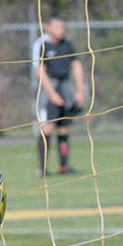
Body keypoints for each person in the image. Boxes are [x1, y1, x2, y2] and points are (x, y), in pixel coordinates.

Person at [31, 16, 86, 175]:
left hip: (65, 88)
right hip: (49, 89)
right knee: (47, 128)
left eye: (63, 27)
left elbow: (76, 65)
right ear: (48, 28)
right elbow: (39, 70)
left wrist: (79, 91)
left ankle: (64, 166)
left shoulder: (67, 43)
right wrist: (52, 94)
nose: (61, 30)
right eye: (57, 27)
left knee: (64, 127)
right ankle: (42, 168)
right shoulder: (42, 44)